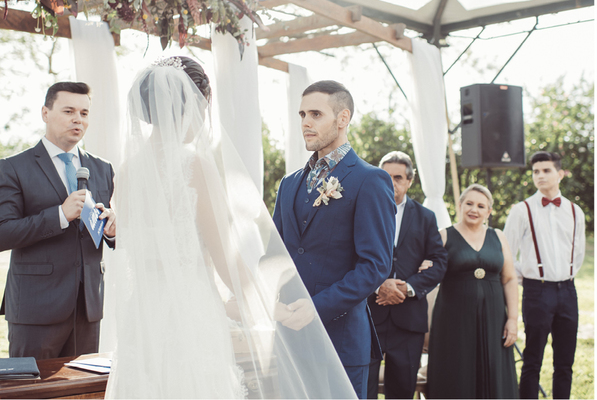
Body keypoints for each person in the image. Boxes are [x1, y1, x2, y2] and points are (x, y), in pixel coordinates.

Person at [104, 57, 356, 398]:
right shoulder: (194, 166)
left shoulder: (129, 170)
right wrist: (277, 310)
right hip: (190, 321)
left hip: (142, 320)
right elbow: (228, 263)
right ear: (192, 103)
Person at [272, 80, 395, 399]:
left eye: (315, 114)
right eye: (302, 114)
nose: (306, 123)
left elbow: (375, 267)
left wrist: (315, 308)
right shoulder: (288, 184)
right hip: (288, 337)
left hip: (340, 339)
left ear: (343, 118)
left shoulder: (370, 180)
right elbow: (275, 254)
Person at [0, 82, 116, 360]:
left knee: (82, 390)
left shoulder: (102, 167)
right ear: (45, 113)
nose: (78, 119)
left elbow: (102, 229)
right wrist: (60, 215)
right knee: (31, 390)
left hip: (87, 306)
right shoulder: (13, 167)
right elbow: (3, 233)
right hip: (35, 307)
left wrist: (112, 229)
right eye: (69, 111)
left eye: (85, 113)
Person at [503, 151, 586, 399]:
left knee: (565, 363)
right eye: (536, 171)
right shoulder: (522, 210)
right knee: (532, 360)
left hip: (568, 291)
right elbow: (507, 253)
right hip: (537, 291)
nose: (540, 175)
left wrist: (565, 274)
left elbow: (579, 253)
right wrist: (527, 277)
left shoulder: (574, 211)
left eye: (546, 170)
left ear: (560, 174)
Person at [425, 184, 519, 399]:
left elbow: (510, 278)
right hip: (453, 319)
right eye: (469, 203)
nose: (473, 209)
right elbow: (428, 272)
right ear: (459, 205)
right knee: (456, 371)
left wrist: (512, 318)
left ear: (489, 211)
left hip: (494, 319)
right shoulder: (444, 236)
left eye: (480, 205)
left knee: (494, 369)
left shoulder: (498, 237)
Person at [368, 151, 447, 400]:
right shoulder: (363, 212)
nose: (391, 182)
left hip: (409, 320)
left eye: (398, 177)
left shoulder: (425, 217)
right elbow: (351, 258)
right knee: (362, 390)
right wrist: (377, 285)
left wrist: (407, 288)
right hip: (369, 317)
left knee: (402, 392)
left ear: (409, 181)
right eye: (385, 176)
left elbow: (439, 262)